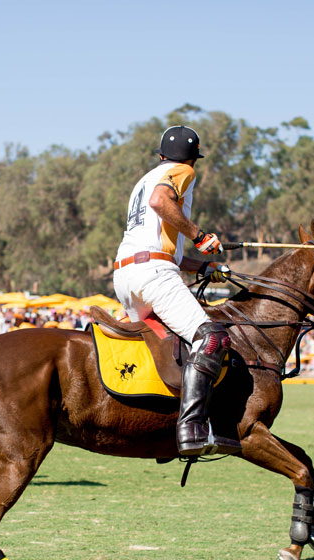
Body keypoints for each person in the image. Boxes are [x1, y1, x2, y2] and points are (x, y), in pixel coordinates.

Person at [112, 125, 237, 457]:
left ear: (161, 154)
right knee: (212, 337)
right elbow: (160, 202)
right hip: (152, 274)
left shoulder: (144, 180)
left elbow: (163, 248)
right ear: (193, 158)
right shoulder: (182, 171)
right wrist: (199, 234)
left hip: (126, 275)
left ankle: (160, 422)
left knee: (169, 340)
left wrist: (203, 266)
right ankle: (192, 426)